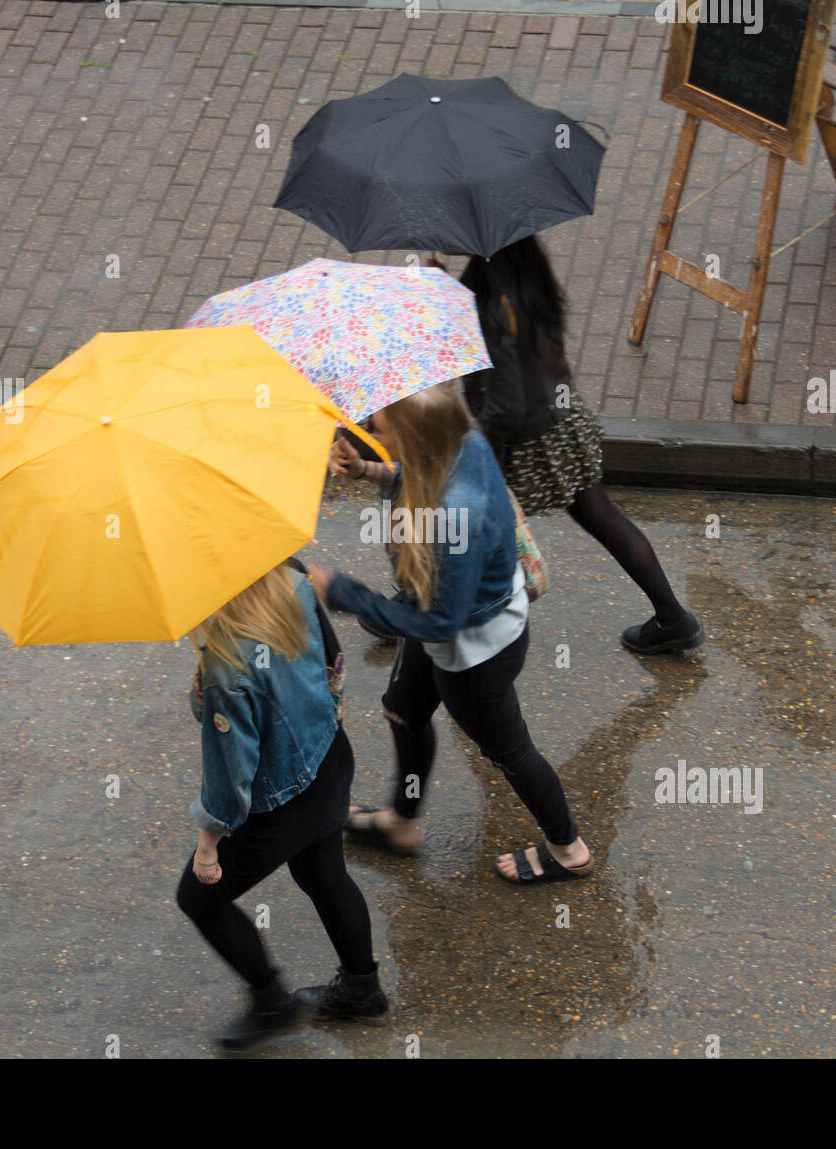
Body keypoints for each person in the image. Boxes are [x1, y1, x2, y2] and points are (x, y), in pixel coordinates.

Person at [310, 382, 594, 885]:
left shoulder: (453, 518)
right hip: (441, 616)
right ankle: (402, 821)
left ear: (413, 433)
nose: (368, 426)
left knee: (511, 752)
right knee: (403, 710)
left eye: (377, 422)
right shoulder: (462, 443)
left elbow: (443, 622)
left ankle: (568, 848)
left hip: (474, 654)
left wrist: (345, 594)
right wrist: (369, 470)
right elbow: (417, 475)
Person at [444, 236, 704, 655]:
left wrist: (480, 451)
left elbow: (507, 402)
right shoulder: (517, 266)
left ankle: (419, 610)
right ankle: (673, 617)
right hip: (561, 420)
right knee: (600, 516)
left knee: (463, 519)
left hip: (522, 442)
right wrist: (448, 297)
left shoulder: (494, 293)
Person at [175, 559, 388, 1053]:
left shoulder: (226, 665)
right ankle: (362, 987)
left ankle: (272, 1001)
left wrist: (209, 844)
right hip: (329, 761)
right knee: (323, 874)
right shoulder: (292, 581)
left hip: (280, 804)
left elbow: (230, 776)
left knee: (198, 898)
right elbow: (332, 665)